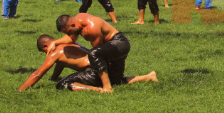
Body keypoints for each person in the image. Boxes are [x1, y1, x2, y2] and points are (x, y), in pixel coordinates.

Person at [47, 14, 156, 93]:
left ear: (72, 25)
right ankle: (149, 76)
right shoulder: (78, 21)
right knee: (116, 80)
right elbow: (71, 39)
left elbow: (99, 52)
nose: (68, 34)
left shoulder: (91, 28)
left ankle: (107, 87)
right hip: (115, 44)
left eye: (68, 32)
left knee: (94, 54)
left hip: (119, 43)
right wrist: (55, 42)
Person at [18, 33, 157, 92]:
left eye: (44, 51)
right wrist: (54, 77)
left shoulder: (54, 51)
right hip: (106, 65)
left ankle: (98, 89)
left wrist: (20, 90)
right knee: (116, 81)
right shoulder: (68, 44)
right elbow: (60, 64)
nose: (46, 54)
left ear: (45, 46)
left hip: (94, 69)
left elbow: (38, 73)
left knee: (63, 83)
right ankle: (148, 76)